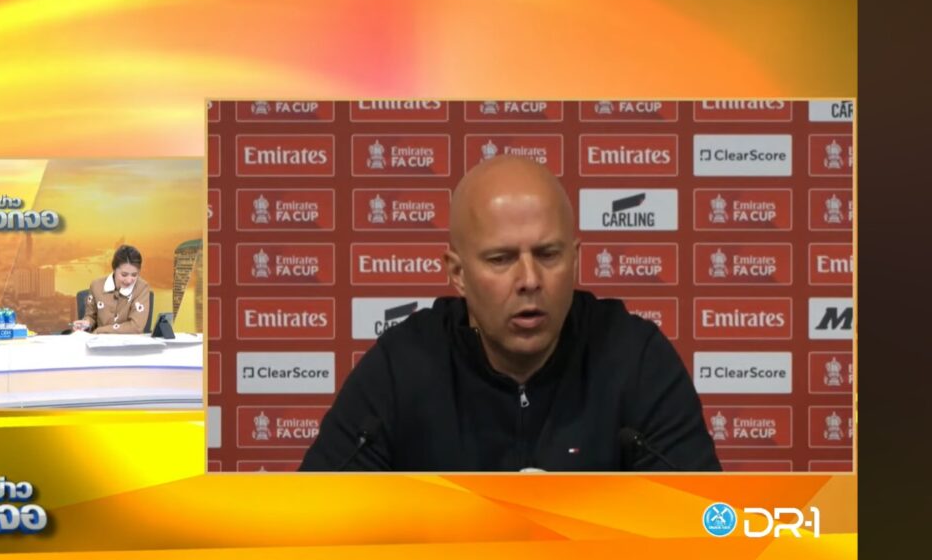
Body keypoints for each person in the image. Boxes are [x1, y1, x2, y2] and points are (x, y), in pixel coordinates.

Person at [300, 156, 720, 472]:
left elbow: (703, 527)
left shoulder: (636, 358)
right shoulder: (403, 365)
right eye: (501, 259)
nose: (530, 280)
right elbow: (316, 522)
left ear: (575, 260)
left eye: (548, 255)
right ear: (458, 274)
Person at [73, 245, 152, 334]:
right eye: (124, 275)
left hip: (128, 341)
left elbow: (136, 327)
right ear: (114, 269)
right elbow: (91, 317)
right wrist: (86, 323)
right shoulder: (96, 285)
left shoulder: (142, 288)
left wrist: (100, 330)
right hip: (100, 341)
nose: (129, 280)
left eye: (134, 275)